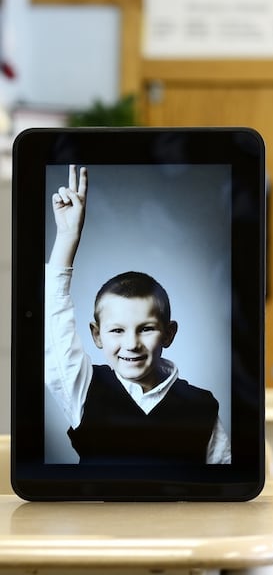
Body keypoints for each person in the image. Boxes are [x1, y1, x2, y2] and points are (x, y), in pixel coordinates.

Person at [45, 164, 231, 465]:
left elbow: (222, 477)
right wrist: (67, 238)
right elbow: (54, 325)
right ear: (97, 335)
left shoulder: (201, 405)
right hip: (99, 514)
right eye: (117, 330)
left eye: (145, 329)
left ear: (169, 333)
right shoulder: (84, 389)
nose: (131, 343)